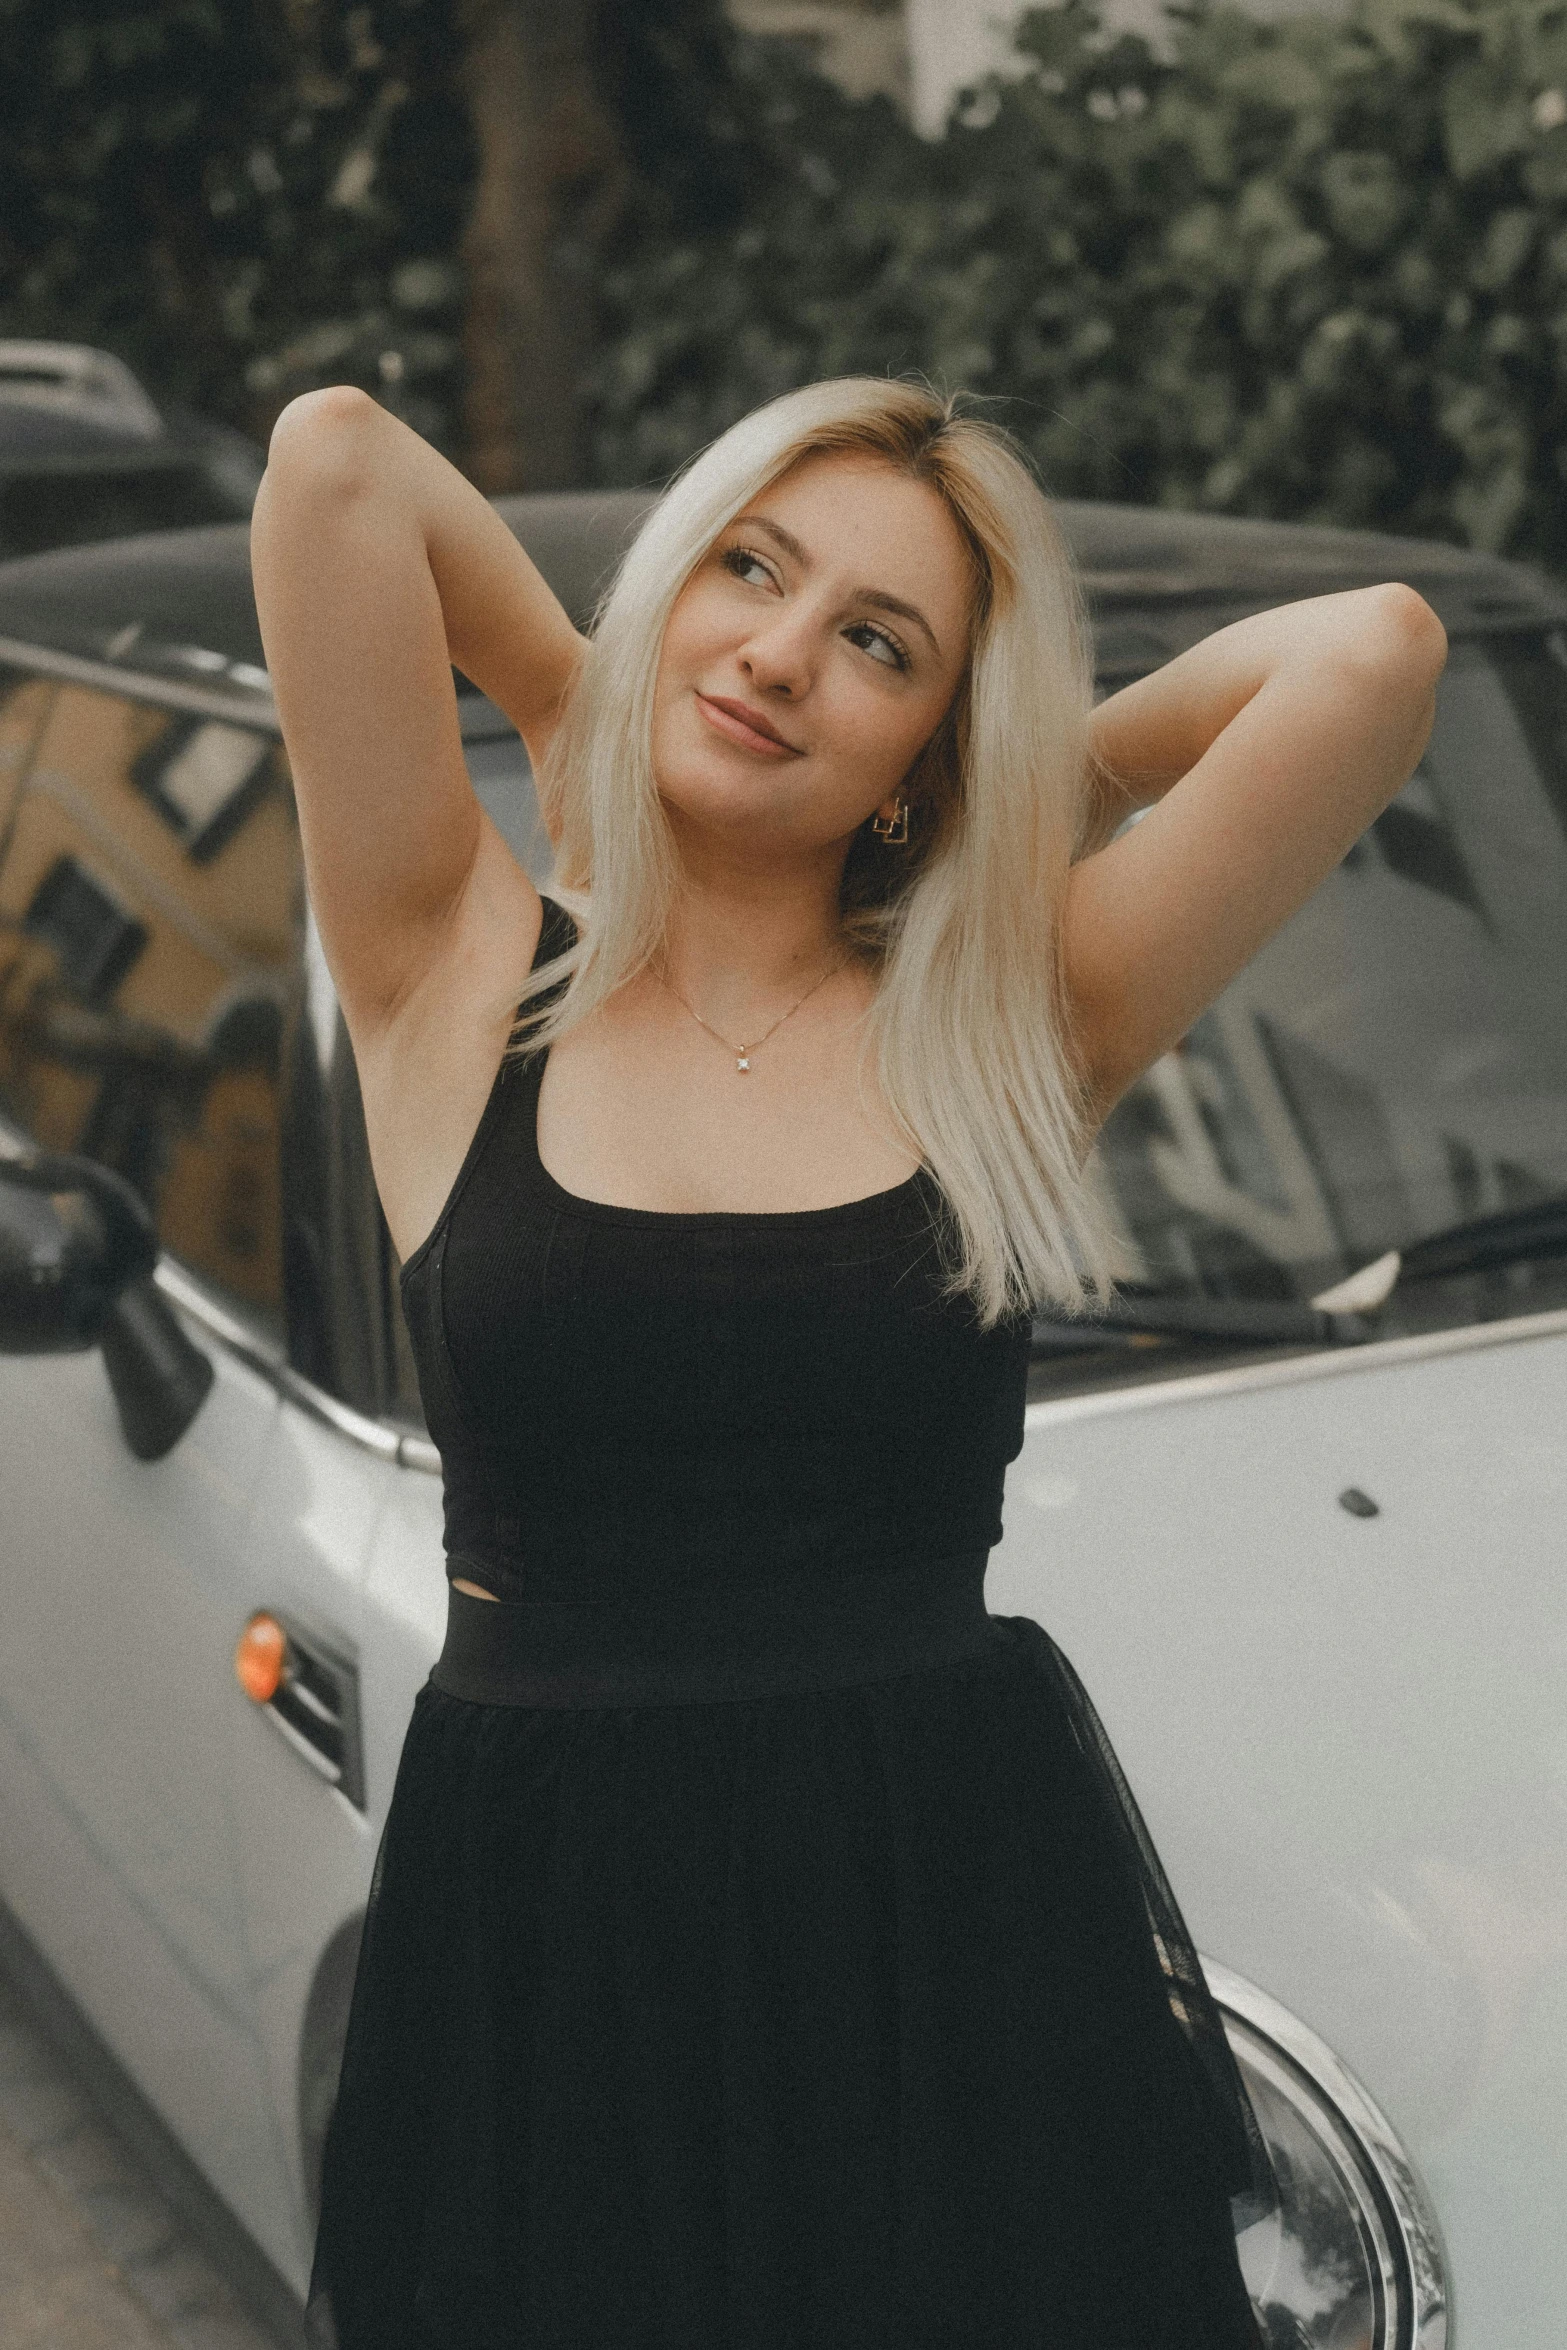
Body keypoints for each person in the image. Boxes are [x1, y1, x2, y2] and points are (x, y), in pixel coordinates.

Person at [251, 374, 1446, 2350]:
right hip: (558, 1939)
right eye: (750, 570)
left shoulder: (1008, 1021)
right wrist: (570, 693)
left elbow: (1373, 656)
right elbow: (334, 459)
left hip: (947, 1920)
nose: (781, 654)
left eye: (877, 644)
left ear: (922, 746)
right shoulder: (451, 965)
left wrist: (1026, 783)